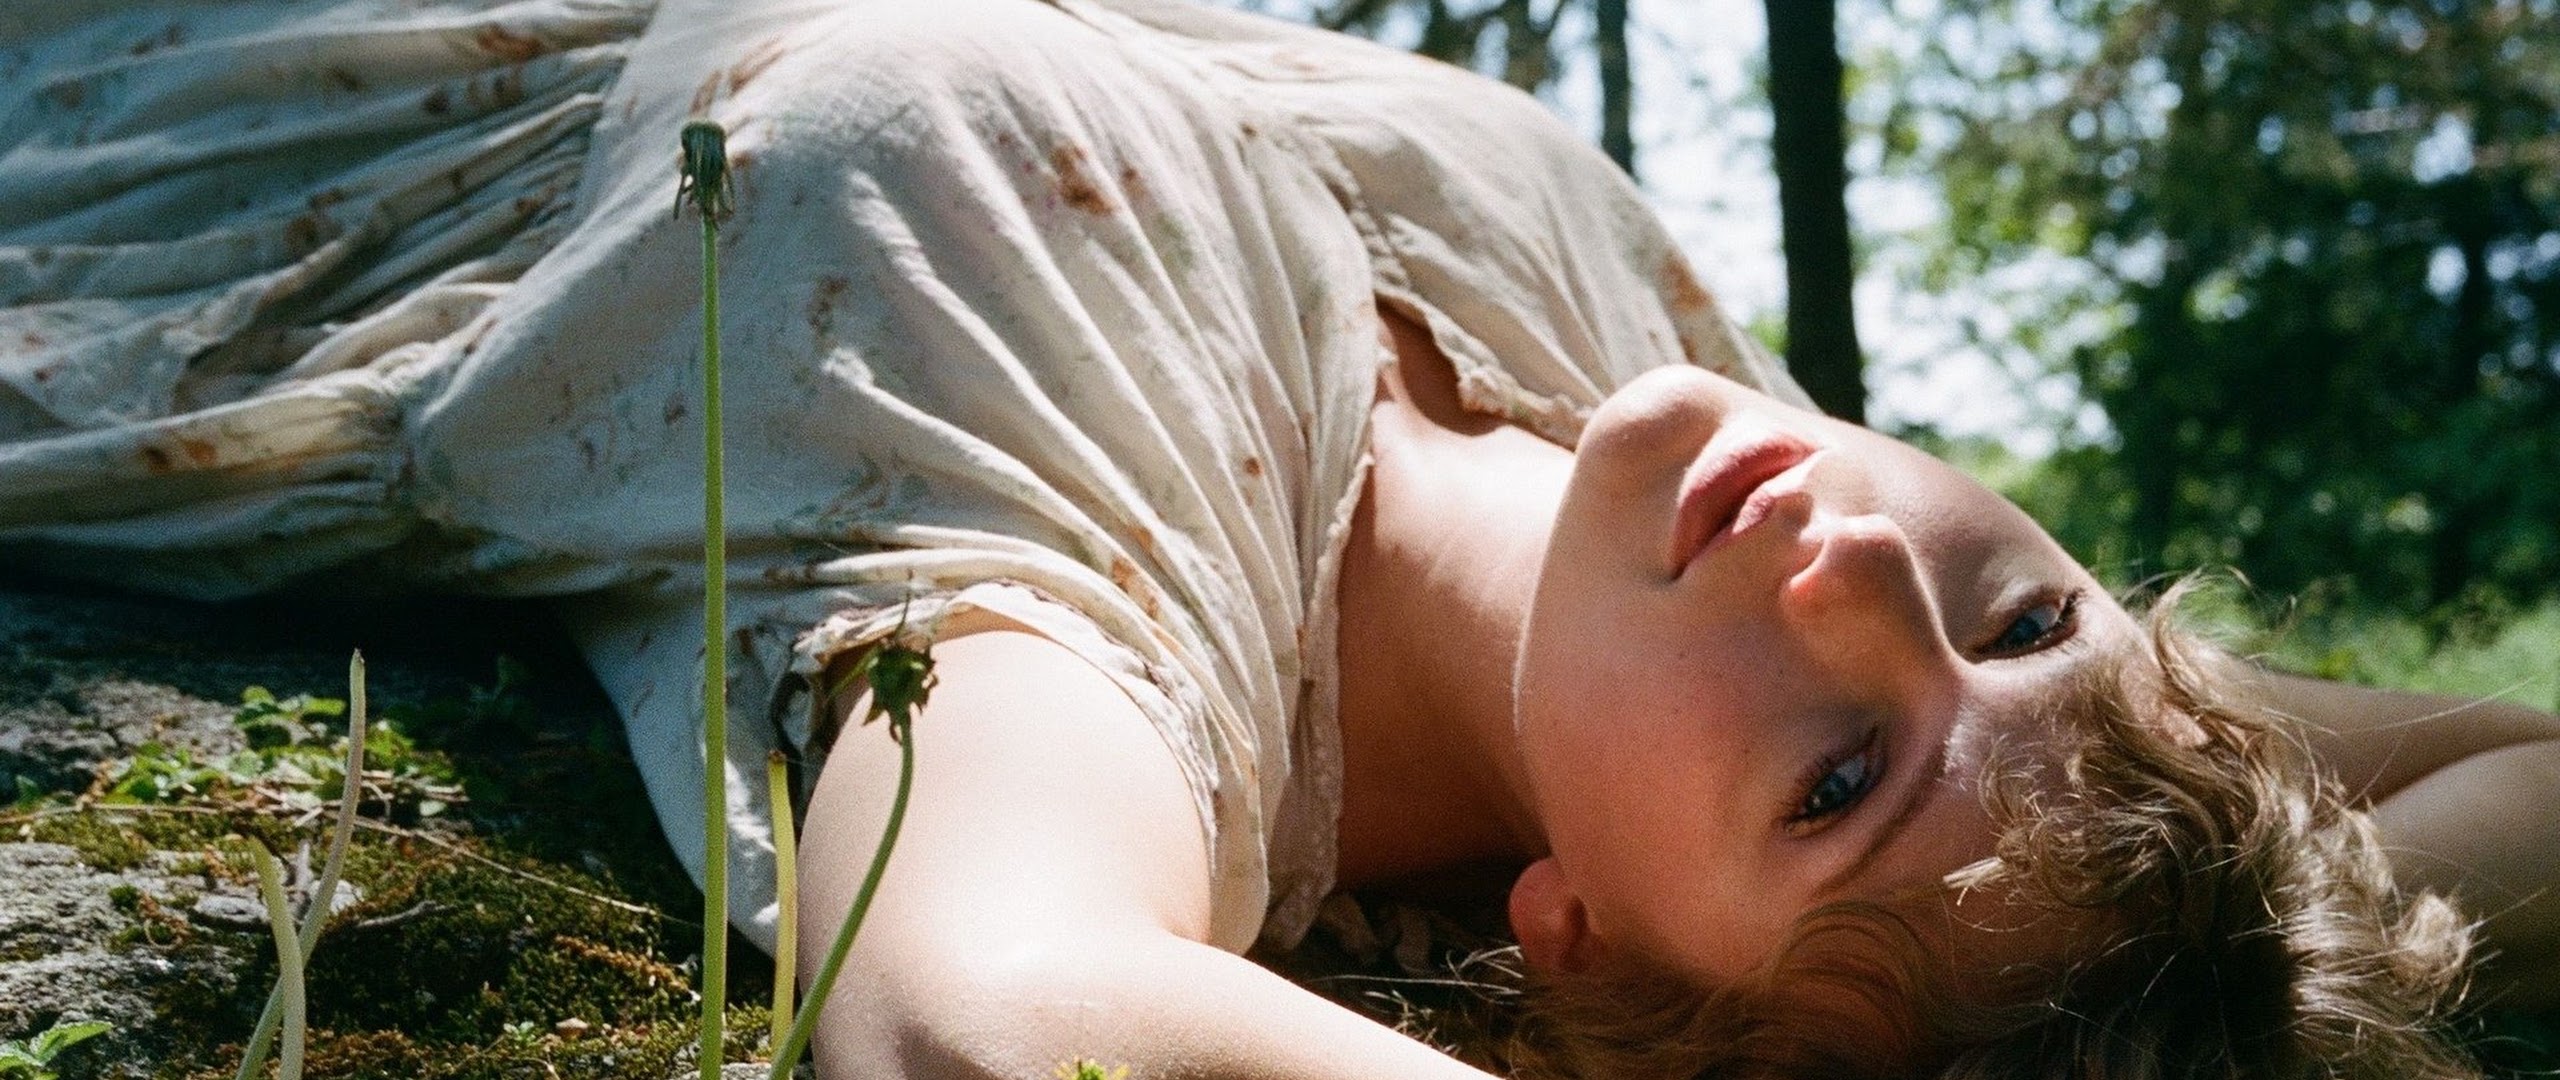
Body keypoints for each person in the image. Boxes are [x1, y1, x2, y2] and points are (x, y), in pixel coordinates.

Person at [3, 0, 2555, 1076]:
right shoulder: (1696, 484)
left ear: (1574, 959)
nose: (1870, 580)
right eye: (2026, 607)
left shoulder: (1099, 633)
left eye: (1831, 783)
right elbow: (2517, 773)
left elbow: (978, 1015)